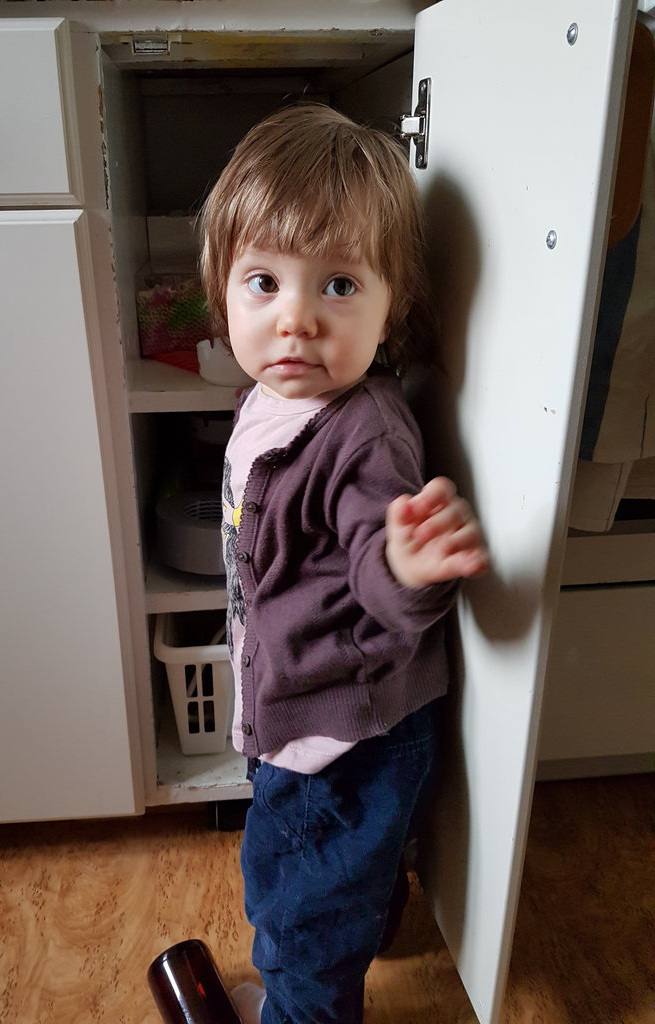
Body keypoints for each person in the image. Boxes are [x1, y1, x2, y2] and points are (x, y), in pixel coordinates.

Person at [198, 104, 489, 1024]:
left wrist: (404, 566)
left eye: (336, 286)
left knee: (298, 916)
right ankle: (356, 928)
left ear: (390, 303)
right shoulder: (269, 401)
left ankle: (303, 1003)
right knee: (332, 884)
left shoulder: (363, 435)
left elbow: (373, 561)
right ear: (223, 289)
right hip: (306, 710)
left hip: (338, 744)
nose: (294, 320)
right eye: (262, 282)